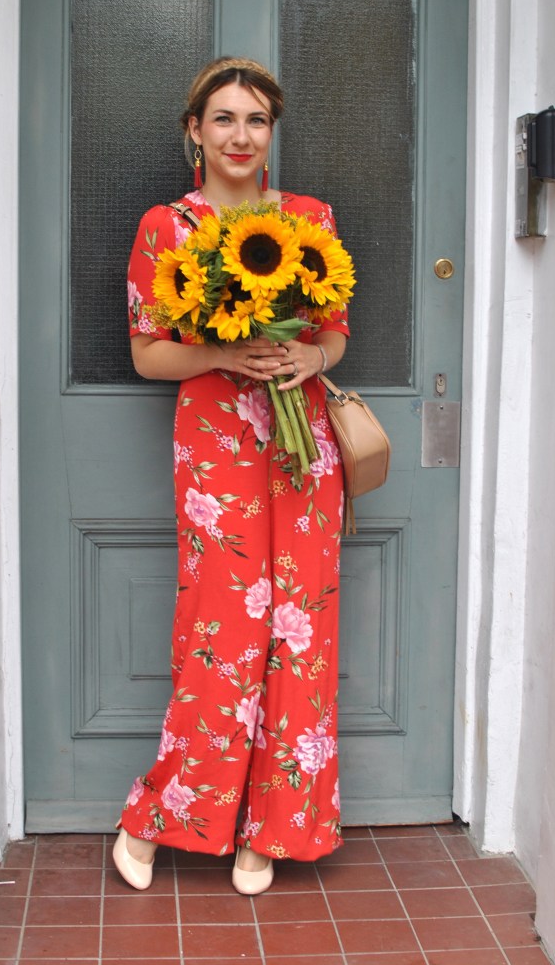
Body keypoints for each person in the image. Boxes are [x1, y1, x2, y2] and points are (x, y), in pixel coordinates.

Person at [114, 56, 350, 896]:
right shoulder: (165, 227)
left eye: (255, 120)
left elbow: (336, 332)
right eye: (223, 118)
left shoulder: (310, 218)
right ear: (195, 131)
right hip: (214, 447)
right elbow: (148, 354)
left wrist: (306, 353)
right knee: (221, 632)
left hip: (301, 446)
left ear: (271, 133)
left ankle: (275, 827)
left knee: (300, 634)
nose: (239, 135)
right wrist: (225, 352)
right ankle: (158, 812)